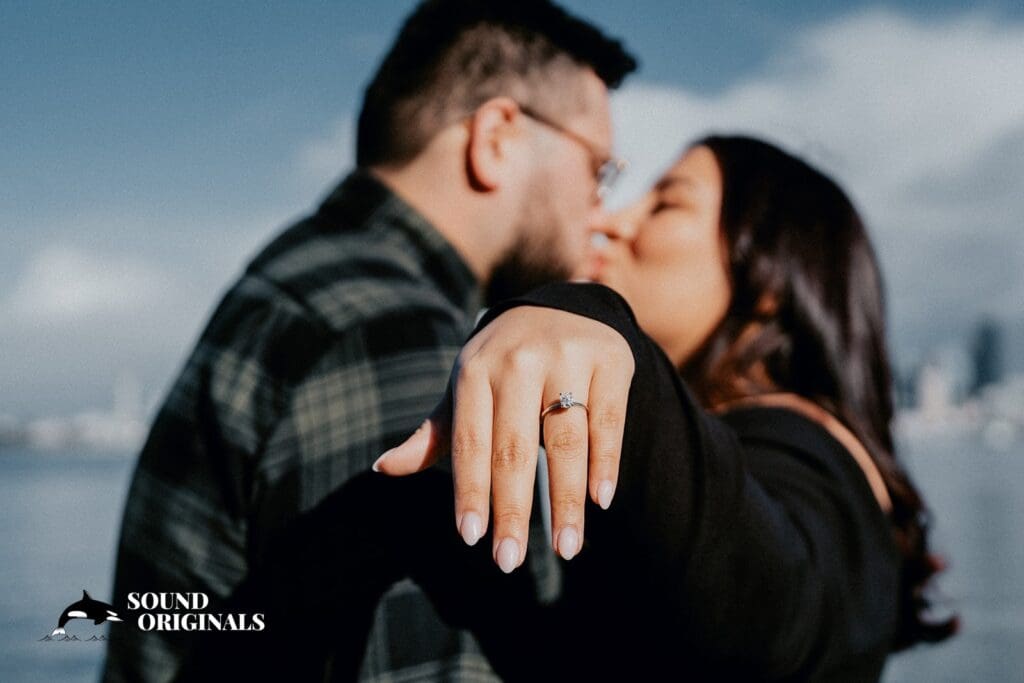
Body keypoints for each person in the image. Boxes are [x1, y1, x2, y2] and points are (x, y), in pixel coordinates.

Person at [102, 1, 636, 681]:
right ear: (496, 136)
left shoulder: (305, 280)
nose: (601, 212)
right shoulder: (393, 334)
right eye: (598, 170)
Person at [373, 135, 957, 679]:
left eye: (666, 206)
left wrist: (592, 321)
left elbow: (763, 597)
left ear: (770, 278)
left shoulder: (800, 452)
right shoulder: (826, 467)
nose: (611, 221)